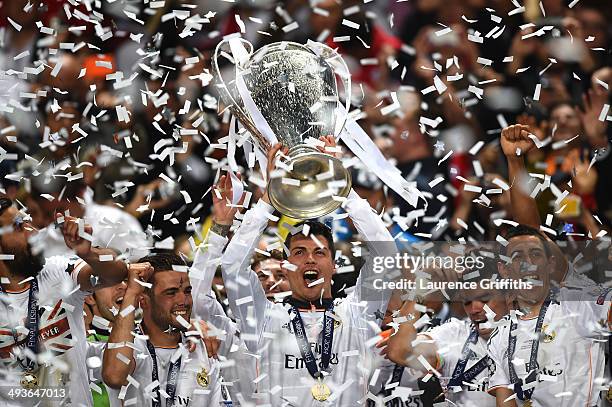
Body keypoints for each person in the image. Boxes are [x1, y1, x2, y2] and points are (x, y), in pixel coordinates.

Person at [220, 138, 399, 405]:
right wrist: (269, 198)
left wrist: (342, 190)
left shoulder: (358, 314)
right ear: (286, 265)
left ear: (334, 266)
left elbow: (386, 254)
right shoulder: (263, 318)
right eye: (300, 252)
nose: (309, 261)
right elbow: (232, 266)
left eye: (320, 252)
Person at [0, 195, 130, 406]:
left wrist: (88, 254)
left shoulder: (56, 272)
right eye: (17, 226)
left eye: (27, 221)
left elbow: (115, 274)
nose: (32, 231)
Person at [487, 224, 610, 407]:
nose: (528, 262)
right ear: (504, 270)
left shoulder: (575, 305)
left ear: (550, 263)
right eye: (517, 257)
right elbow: (505, 400)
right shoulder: (500, 335)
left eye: (535, 254)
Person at [385, 254, 507, 407]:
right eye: (467, 301)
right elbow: (399, 351)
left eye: (484, 299)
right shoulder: (453, 334)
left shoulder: (531, 335)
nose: (474, 309)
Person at [101, 253, 223, 406]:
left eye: (187, 291)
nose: (183, 301)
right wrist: (132, 292)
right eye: (171, 293)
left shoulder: (203, 348)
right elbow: (114, 377)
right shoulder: (128, 348)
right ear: (143, 300)